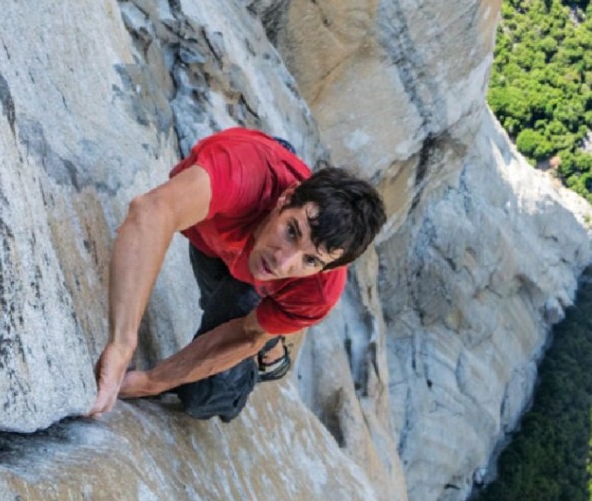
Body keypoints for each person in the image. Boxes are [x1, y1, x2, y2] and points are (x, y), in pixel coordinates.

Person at [90, 128, 385, 421]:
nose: (283, 261)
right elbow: (152, 212)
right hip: (243, 206)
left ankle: (269, 351)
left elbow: (247, 333)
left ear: (328, 268)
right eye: (292, 231)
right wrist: (122, 344)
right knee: (218, 293)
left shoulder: (318, 290)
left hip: (258, 283)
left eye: (310, 260)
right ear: (286, 198)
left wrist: (150, 382)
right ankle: (282, 158)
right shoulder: (243, 173)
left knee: (203, 395)